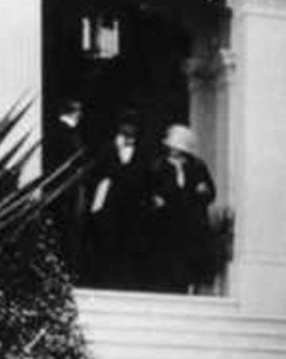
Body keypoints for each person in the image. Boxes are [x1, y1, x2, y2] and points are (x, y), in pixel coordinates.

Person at [148, 123, 218, 293]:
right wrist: (155, 198)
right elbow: (148, 188)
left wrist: (203, 191)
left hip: (189, 222)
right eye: (171, 147)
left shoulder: (197, 166)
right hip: (165, 222)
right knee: (165, 259)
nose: (173, 150)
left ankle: (185, 286)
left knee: (186, 259)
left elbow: (210, 192)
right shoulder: (158, 165)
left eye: (177, 148)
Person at [88, 113, 151, 288]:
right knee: (109, 242)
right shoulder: (108, 148)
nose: (128, 131)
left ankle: (128, 281)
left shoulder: (143, 151)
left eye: (132, 128)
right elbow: (99, 172)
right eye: (125, 127)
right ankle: (108, 280)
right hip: (111, 204)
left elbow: (145, 176)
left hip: (133, 205)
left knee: (130, 244)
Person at [44, 97, 92, 278]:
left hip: (63, 189)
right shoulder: (67, 133)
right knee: (67, 230)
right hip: (66, 191)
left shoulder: (60, 131)